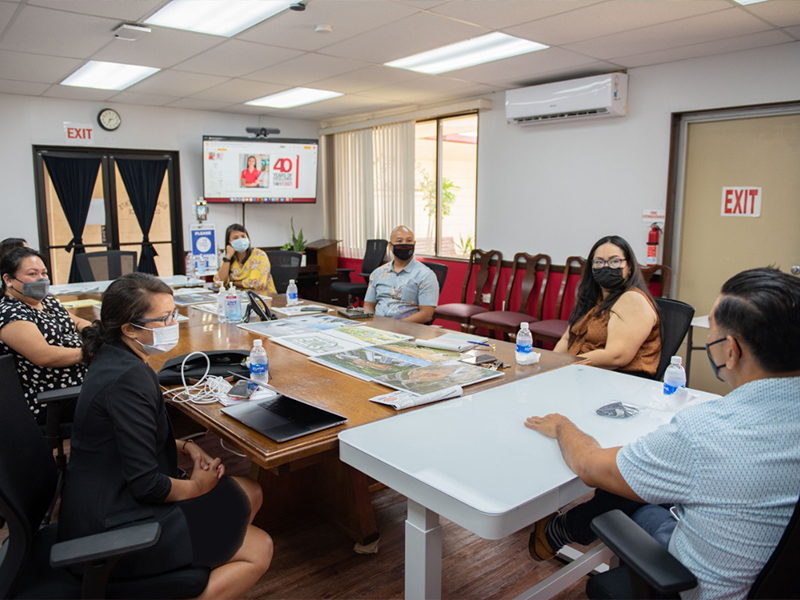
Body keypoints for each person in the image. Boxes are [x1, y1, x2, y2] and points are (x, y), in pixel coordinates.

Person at [525, 267, 800, 600]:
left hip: (699, 587)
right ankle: (565, 529)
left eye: (712, 326)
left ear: (730, 350)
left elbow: (591, 467)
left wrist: (562, 425)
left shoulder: (707, 434)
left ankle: (567, 527)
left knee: (625, 488)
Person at [58, 273, 272, 598]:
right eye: (165, 318)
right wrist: (198, 486)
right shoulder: (129, 379)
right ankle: (182, 570)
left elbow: (125, 438)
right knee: (260, 548)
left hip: (106, 496)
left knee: (250, 490)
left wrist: (184, 445)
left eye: (174, 313)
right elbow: (147, 484)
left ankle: (188, 563)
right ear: (129, 328)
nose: (175, 322)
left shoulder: (116, 358)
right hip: (113, 525)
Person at [0, 247, 89, 424]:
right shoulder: (10, 314)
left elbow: (77, 322)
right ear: (8, 280)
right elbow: (45, 356)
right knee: (123, 398)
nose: (41, 279)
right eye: (33, 274)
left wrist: (93, 332)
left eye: (44, 273)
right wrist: (91, 351)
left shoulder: (45, 301)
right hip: (52, 398)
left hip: (80, 384)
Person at [554, 235, 661, 378]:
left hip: (617, 381)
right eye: (599, 262)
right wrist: (551, 364)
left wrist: (567, 366)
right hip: (580, 373)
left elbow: (615, 357)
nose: (606, 267)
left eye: (614, 261)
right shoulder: (593, 298)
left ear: (629, 267)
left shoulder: (632, 299)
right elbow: (567, 339)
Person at [364, 226, 438, 323]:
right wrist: (370, 323)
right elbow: (368, 305)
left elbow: (426, 314)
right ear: (390, 246)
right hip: (378, 328)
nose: (404, 244)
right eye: (399, 241)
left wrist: (396, 326)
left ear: (414, 244)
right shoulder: (378, 273)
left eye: (409, 241)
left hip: (406, 329)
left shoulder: (426, 275)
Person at [214, 224, 277, 294]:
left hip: (263, 298)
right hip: (237, 299)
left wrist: (232, 283)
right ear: (229, 243)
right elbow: (219, 282)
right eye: (235, 238)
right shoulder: (230, 260)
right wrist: (228, 257)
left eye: (243, 236)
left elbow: (255, 283)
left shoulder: (259, 255)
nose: (240, 239)